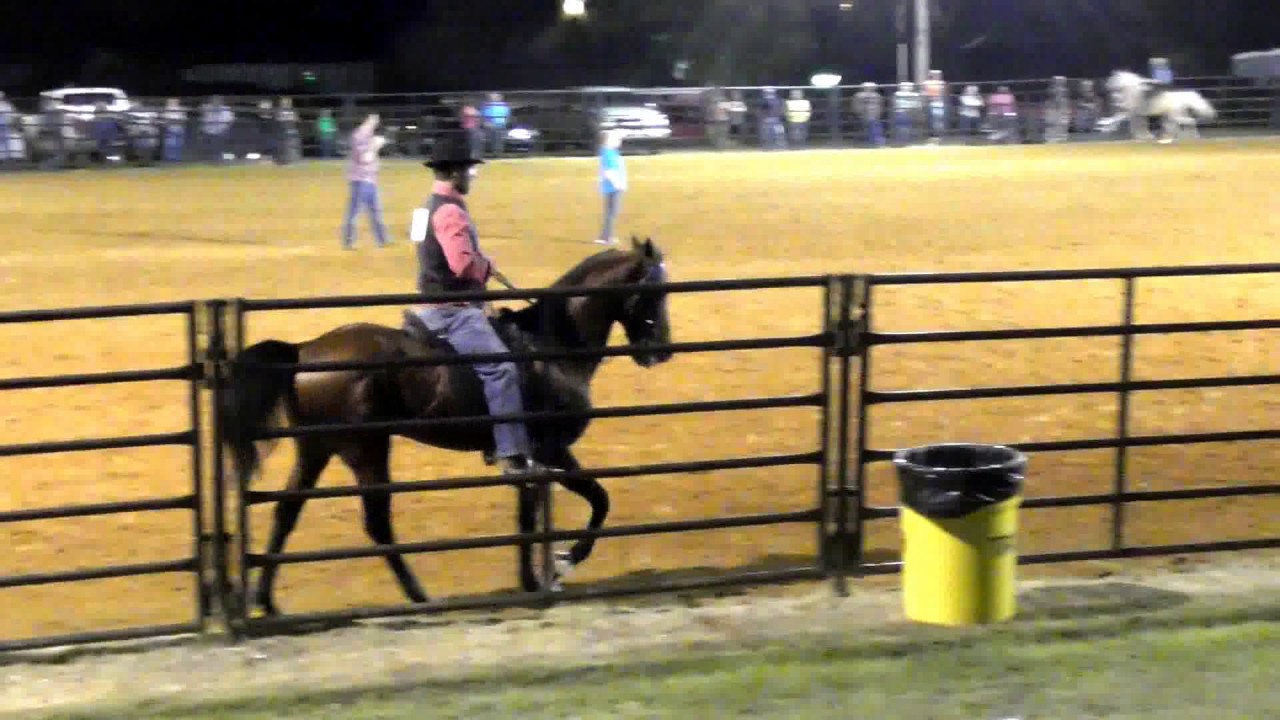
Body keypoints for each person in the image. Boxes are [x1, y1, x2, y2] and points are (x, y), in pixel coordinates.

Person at [408, 130, 540, 476]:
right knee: (502, 368)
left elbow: (422, 251)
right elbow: (462, 265)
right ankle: (510, 454)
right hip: (453, 312)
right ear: (454, 172)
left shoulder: (423, 208)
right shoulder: (451, 211)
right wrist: (487, 266)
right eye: (470, 169)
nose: (474, 175)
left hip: (427, 303)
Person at [341, 113, 389, 249]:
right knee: (354, 212)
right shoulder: (359, 136)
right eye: (372, 120)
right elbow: (365, 158)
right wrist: (375, 146)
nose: (374, 123)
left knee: (375, 211)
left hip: (370, 180)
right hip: (360, 180)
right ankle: (349, 241)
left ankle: (382, 239)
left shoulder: (366, 136)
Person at [595, 129, 626, 245]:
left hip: (611, 187)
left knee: (610, 212)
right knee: (612, 212)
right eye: (616, 140)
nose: (619, 141)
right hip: (613, 187)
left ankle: (605, 236)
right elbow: (609, 172)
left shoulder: (609, 152)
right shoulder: (608, 154)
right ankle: (606, 237)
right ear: (608, 142)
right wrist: (618, 184)